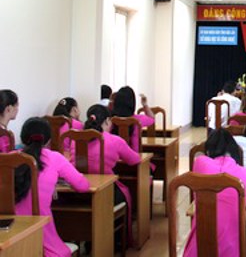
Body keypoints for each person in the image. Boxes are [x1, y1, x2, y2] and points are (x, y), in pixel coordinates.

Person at [14, 117, 90, 257]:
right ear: (48, 140)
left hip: (12, 232)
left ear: (23, 138)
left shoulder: (9, 158)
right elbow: (83, 186)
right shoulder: (55, 158)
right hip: (41, 233)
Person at [184, 129, 246, 257]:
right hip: (231, 252)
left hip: (196, 252)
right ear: (236, 153)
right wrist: (244, 215)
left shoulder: (200, 163)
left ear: (208, 152)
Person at [78, 104, 141, 244]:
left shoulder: (75, 139)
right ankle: (117, 241)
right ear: (107, 121)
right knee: (124, 194)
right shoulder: (114, 140)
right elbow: (135, 160)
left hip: (79, 193)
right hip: (106, 192)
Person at [111, 86, 155, 151]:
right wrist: (145, 104)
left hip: (115, 155)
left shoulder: (111, 119)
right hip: (133, 154)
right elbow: (152, 118)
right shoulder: (137, 120)